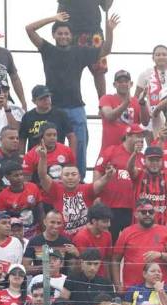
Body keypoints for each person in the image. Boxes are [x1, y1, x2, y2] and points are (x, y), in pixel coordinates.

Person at [25, 11, 120, 179]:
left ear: (71, 36)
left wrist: (109, 30)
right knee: (54, 144)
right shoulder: (48, 50)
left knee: (80, 144)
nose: (63, 36)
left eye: (66, 33)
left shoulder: (80, 52)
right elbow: (29, 29)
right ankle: (52, 180)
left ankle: (78, 179)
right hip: (53, 108)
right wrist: (53, 18)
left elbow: (106, 50)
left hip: (76, 107)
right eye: (60, 33)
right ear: (54, 35)